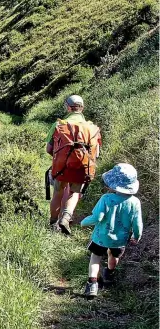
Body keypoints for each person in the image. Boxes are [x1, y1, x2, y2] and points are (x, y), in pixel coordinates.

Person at [81, 163, 143, 297]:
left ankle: (92, 285)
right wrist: (136, 236)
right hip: (119, 240)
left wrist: (84, 222)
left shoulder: (106, 198)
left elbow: (97, 217)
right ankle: (109, 274)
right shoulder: (135, 203)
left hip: (100, 236)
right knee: (114, 256)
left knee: (95, 258)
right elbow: (137, 223)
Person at [46, 95, 101, 234]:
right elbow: (96, 154)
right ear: (82, 108)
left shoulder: (59, 125)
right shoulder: (92, 128)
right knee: (74, 193)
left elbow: (49, 149)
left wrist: (62, 158)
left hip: (61, 168)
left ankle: (53, 224)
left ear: (68, 107)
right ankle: (66, 217)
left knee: (57, 193)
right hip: (82, 168)